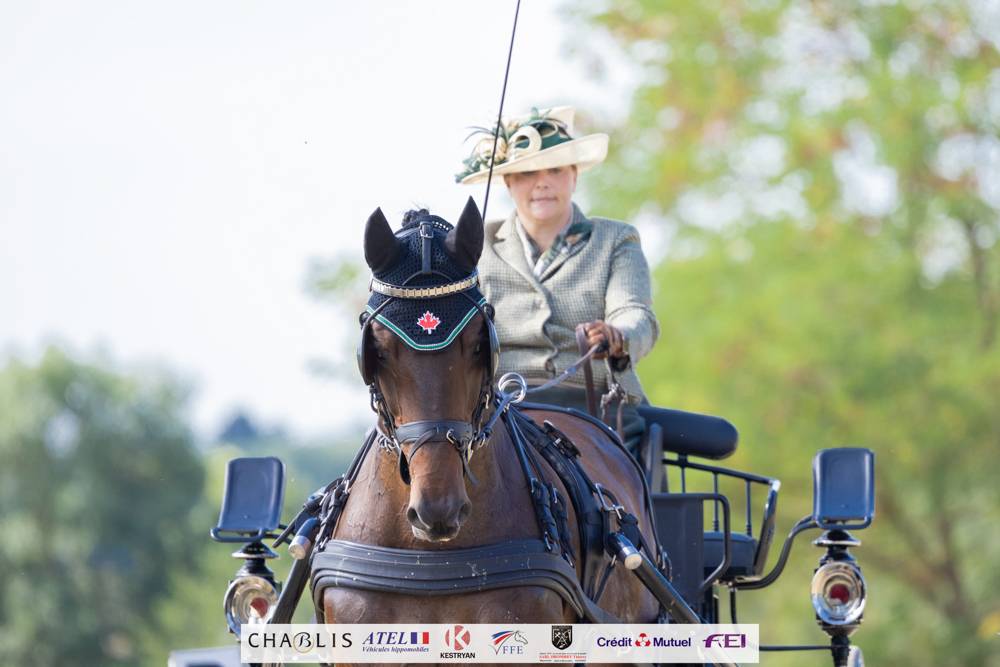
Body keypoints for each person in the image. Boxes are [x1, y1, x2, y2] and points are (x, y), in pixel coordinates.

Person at [456, 106, 659, 455]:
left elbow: (634, 312)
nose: (542, 182)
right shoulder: (479, 246)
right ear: (508, 182)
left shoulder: (615, 240)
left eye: (555, 170)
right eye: (527, 173)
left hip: (596, 409)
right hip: (499, 410)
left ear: (574, 176)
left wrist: (618, 336)